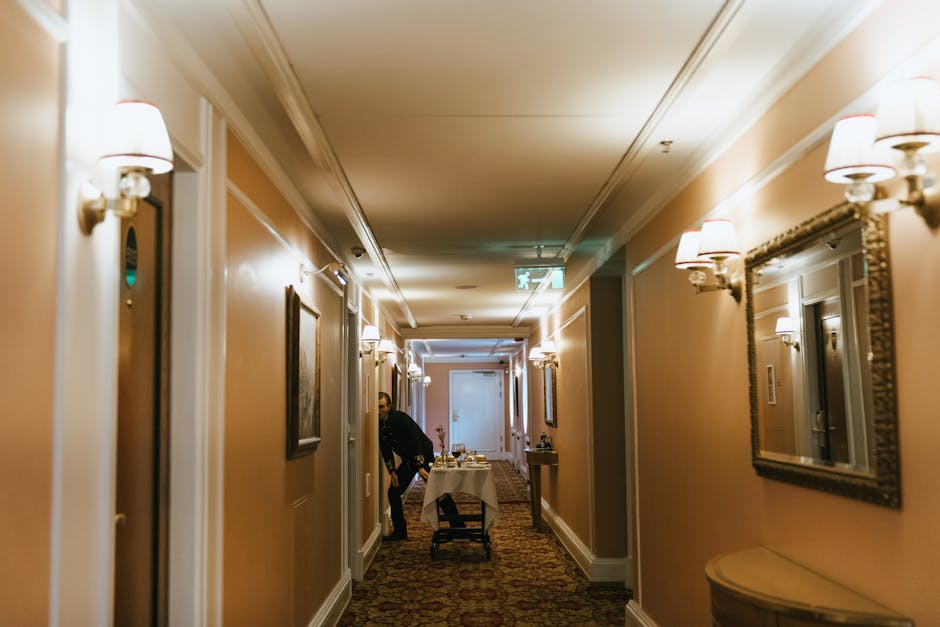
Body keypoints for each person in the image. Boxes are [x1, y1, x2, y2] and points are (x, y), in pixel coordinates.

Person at [378, 391, 463, 540]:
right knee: (393, 492)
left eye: (381, 407)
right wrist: (392, 471)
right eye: (376, 407)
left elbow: (415, 440)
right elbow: (385, 449)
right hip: (409, 460)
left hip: (423, 454)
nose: (379, 411)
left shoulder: (400, 418)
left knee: (438, 491)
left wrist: (421, 466)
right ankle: (400, 532)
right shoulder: (380, 425)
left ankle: (459, 528)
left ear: (389, 406)